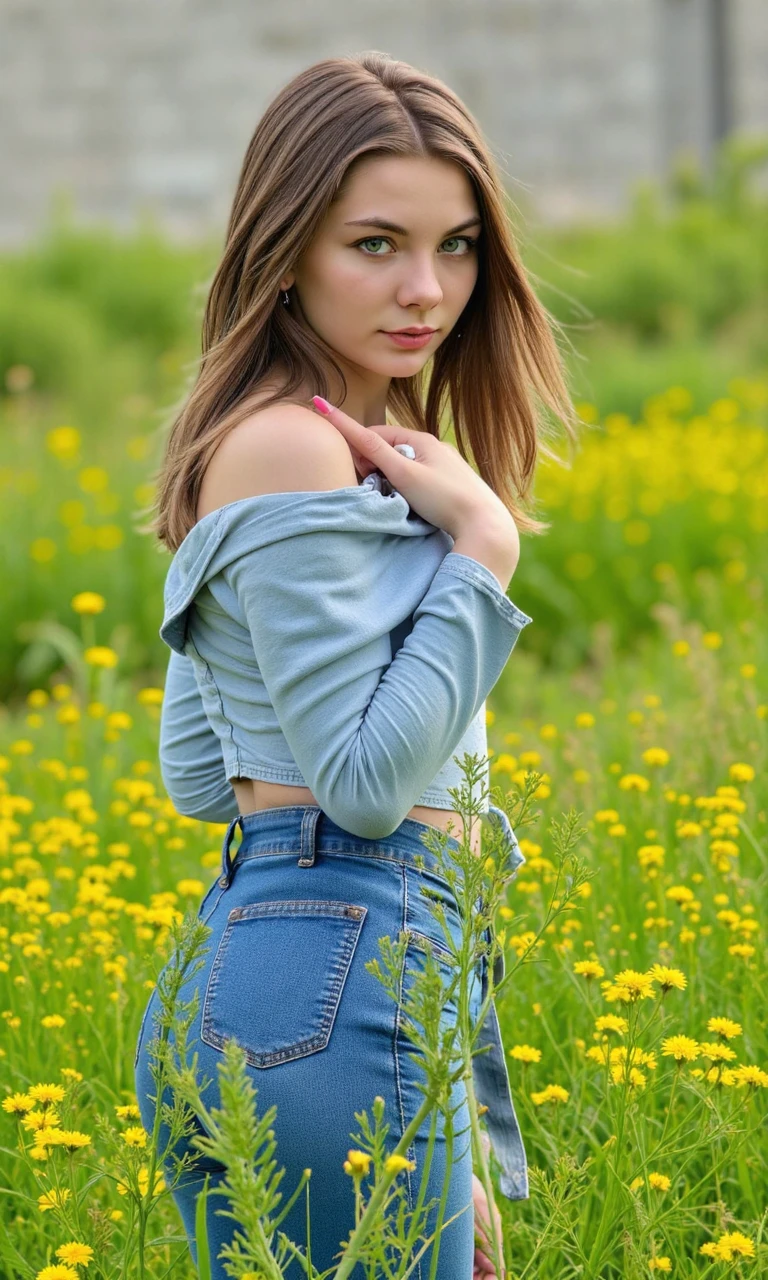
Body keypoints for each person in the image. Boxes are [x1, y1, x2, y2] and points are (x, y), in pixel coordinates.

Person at [134, 50, 577, 1280]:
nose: (427, 288)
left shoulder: (287, 443)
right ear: (284, 247)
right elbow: (368, 787)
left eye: (460, 244)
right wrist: (481, 548)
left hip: (287, 978)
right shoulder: (292, 449)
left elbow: (199, 769)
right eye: (374, 243)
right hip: (346, 975)